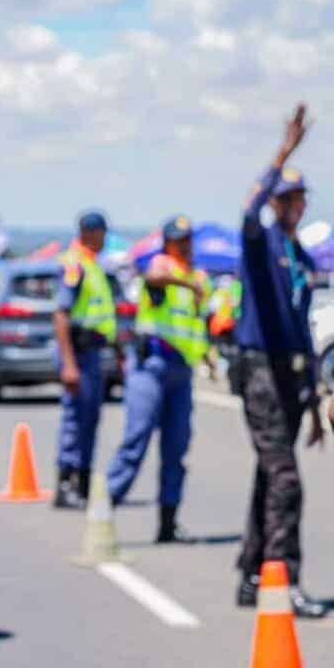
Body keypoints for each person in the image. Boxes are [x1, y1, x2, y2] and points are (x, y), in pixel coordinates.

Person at [233, 104, 326, 618]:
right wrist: (283, 153)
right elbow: (247, 213)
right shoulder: (261, 242)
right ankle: (282, 578)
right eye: (286, 198)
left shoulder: (299, 256)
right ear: (275, 202)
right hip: (260, 370)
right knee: (285, 481)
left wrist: (313, 403)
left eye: (299, 198)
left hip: (290, 377)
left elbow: (303, 331)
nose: (294, 206)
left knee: (270, 476)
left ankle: (252, 573)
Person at [105, 216, 210, 543]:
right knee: (136, 438)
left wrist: (205, 355)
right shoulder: (162, 265)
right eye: (179, 240)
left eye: (188, 239)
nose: (185, 246)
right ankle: (103, 511)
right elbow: (154, 277)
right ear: (168, 243)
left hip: (181, 371)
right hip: (152, 365)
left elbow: (196, 323)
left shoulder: (199, 276)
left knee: (176, 447)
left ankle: (168, 522)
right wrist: (187, 285)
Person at [51, 212, 116, 509]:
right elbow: (61, 315)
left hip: (94, 353)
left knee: (89, 419)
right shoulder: (75, 264)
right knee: (76, 420)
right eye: (102, 232)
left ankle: (84, 483)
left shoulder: (93, 264)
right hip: (79, 353)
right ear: (90, 233)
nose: (105, 238)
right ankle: (66, 484)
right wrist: (68, 364)